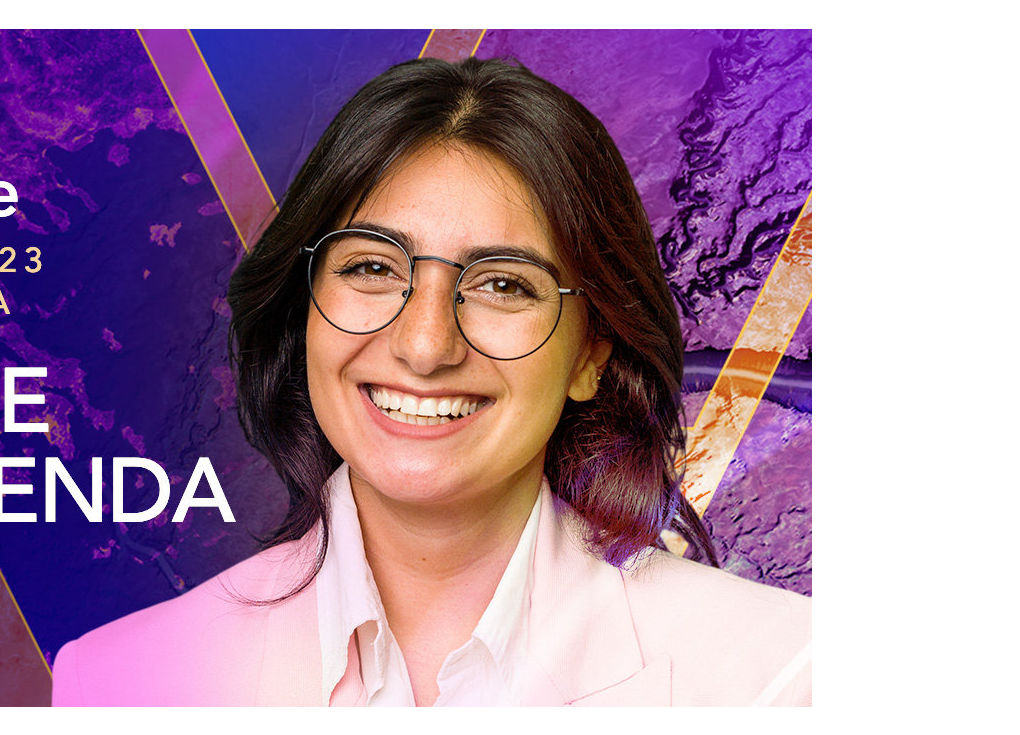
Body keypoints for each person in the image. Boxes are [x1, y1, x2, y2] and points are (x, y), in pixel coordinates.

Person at [51, 57, 810, 706]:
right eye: (372, 267)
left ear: (590, 355)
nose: (424, 346)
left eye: (503, 284)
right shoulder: (117, 680)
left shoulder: (777, 671)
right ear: (302, 312)